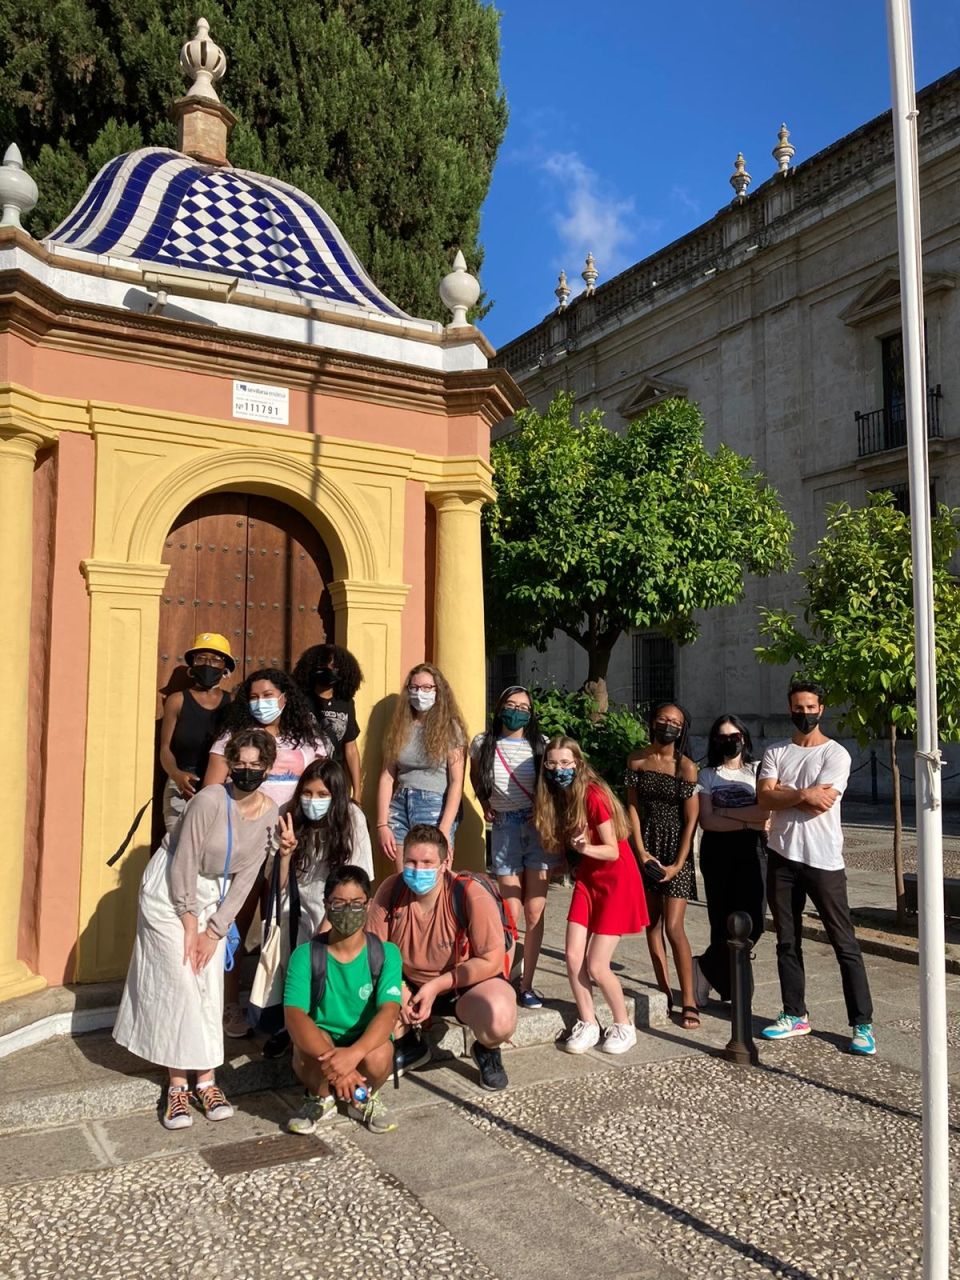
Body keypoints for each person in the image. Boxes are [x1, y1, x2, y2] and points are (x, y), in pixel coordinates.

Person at [113, 729, 296, 1129]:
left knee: (208, 982)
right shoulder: (211, 800)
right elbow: (185, 860)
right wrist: (190, 923)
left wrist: (215, 931)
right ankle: (179, 1085)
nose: (247, 771)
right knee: (180, 978)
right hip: (171, 891)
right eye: (240, 764)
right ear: (230, 764)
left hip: (215, 892)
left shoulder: (269, 812)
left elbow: (248, 876)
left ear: (268, 768)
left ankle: (208, 1080)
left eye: (256, 765)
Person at [204, 668, 328, 1037]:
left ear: (285, 697)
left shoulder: (306, 739)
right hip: (242, 846)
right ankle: (229, 1005)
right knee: (235, 925)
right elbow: (212, 792)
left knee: (287, 925)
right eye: (255, 696)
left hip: (291, 846)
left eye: (269, 694)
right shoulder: (231, 738)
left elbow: (322, 782)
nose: (263, 702)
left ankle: (283, 1005)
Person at [756, 681, 876, 1056]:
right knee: (787, 940)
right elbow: (763, 797)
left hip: (824, 860)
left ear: (821, 709)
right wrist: (802, 793)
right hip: (782, 857)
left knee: (844, 943)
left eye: (810, 707)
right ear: (789, 709)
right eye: (797, 707)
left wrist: (789, 795)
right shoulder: (776, 750)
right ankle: (795, 1013)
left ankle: (862, 1024)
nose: (804, 713)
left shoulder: (836, 754)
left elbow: (821, 803)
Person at [367, 824, 518, 1091]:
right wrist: (398, 991)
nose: (418, 869)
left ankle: (487, 1048)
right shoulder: (391, 890)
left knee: (501, 1017)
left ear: (445, 862)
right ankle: (408, 1045)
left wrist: (436, 986)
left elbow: (491, 960)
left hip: (461, 985)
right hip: (407, 982)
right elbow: (372, 951)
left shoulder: (469, 893)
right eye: (411, 862)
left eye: (427, 862)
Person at [533, 736, 648, 1054]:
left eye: (566, 763)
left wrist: (583, 847)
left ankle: (624, 1025)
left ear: (578, 764)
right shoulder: (558, 795)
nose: (559, 769)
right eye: (553, 763)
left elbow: (611, 851)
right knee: (572, 957)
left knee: (597, 965)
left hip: (616, 880)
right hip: (588, 879)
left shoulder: (594, 795)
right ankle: (588, 1022)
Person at [257, 759, 375, 1057]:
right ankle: (289, 1026)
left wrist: (327, 929)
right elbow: (277, 884)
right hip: (295, 908)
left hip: (338, 907)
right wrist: (285, 854)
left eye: (323, 794)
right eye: (308, 793)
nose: (313, 801)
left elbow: (358, 880)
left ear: (336, 795)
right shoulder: (289, 816)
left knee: (326, 961)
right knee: (290, 960)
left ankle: (326, 1026)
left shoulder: (352, 818)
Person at [284, 865, 403, 1135]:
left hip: (363, 1040)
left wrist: (354, 1055)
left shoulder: (386, 953)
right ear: (326, 904)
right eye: (338, 903)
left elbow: (389, 1011)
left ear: (369, 904)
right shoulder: (306, 955)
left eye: (356, 903)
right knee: (307, 1047)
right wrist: (340, 1067)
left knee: (381, 1052)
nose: (348, 911)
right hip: (322, 1043)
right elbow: (294, 1015)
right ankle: (321, 1096)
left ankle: (364, 1098)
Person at [470, 685, 553, 1007]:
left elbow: (554, 784)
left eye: (523, 706)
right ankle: (506, 974)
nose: (516, 710)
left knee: (535, 911)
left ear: (531, 714)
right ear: (500, 707)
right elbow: (476, 776)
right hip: (504, 827)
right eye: (511, 704)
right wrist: (483, 800)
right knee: (511, 912)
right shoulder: (482, 743)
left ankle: (527, 982)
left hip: (536, 829)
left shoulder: (540, 745)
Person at [625, 702, 700, 1030]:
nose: (668, 725)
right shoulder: (636, 759)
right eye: (663, 719)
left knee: (673, 927)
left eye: (676, 722)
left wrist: (678, 864)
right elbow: (631, 806)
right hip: (646, 845)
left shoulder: (686, 767)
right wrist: (640, 853)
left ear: (682, 729)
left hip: (676, 850)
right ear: (652, 721)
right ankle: (664, 989)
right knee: (651, 924)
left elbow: (692, 819)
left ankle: (689, 999)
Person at [692, 715, 769, 1006]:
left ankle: (702, 966)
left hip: (752, 851)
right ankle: (731, 988)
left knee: (755, 923)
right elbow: (708, 822)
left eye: (734, 735)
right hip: (718, 853)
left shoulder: (759, 770)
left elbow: (765, 815)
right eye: (722, 736)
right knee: (722, 922)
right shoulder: (707, 774)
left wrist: (727, 814)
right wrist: (747, 819)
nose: (729, 741)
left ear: (744, 738)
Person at [376, 664, 468, 874]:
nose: (420, 693)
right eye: (415, 687)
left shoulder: (450, 728)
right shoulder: (399, 726)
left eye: (427, 688)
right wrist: (382, 824)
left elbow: (456, 783)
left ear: (438, 691)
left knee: (431, 879)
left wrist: (444, 828)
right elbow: (387, 776)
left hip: (434, 806)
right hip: (399, 805)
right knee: (404, 878)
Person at [157, 632, 234, 833]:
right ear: (193, 665)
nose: (208, 664)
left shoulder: (233, 703)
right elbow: (165, 748)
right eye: (201, 658)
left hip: (220, 787)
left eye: (216, 660)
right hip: (181, 787)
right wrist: (176, 775)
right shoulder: (177, 700)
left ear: (225, 668)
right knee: (179, 848)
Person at [292, 642, 364, 799]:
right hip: (304, 779)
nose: (329, 672)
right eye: (324, 667)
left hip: (334, 781)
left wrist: (357, 792)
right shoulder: (299, 701)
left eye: (335, 668)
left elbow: (351, 749)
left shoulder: (346, 703)